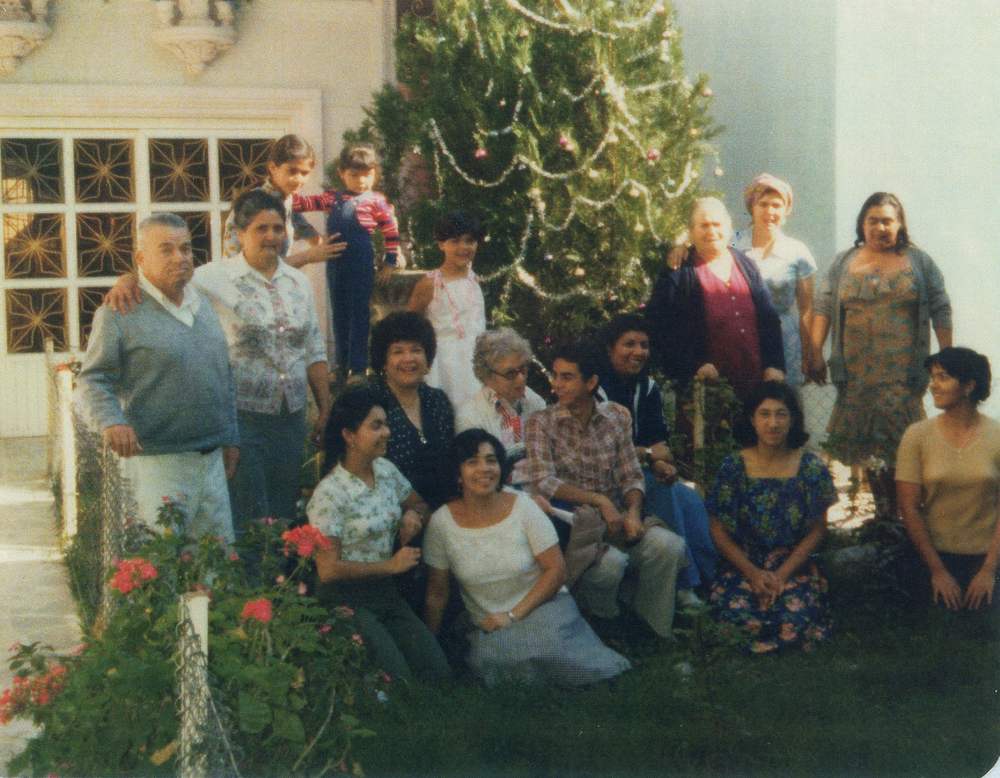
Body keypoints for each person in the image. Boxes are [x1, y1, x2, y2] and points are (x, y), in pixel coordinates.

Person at [104, 190, 332, 533]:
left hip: (291, 417)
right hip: (243, 417)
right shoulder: (213, 277)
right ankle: (247, 584)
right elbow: (162, 274)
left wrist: (325, 405)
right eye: (260, 229)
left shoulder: (298, 281)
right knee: (248, 515)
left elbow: (313, 348)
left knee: (284, 511)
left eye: (276, 228)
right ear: (239, 234)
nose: (271, 236)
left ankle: (279, 583)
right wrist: (126, 280)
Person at [423, 429, 631, 686]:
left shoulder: (524, 506)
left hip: (542, 606)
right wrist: (429, 649)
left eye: (491, 460)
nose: (484, 469)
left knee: (547, 646)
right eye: (472, 462)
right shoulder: (442, 523)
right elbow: (437, 593)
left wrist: (512, 616)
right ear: (457, 474)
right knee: (493, 658)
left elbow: (556, 570)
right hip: (488, 621)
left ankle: (584, 674)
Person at [77, 214, 238, 539]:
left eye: (186, 248)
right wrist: (113, 421)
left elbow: (223, 377)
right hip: (157, 462)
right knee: (158, 570)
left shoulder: (203, 304)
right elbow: (93, 378)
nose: (180, 258)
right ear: (141, 259)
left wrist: (230, 437)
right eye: (166, 249)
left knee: (215, 571)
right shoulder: (119, 313)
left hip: (211, 461)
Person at [524, 340, 687, 639]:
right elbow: (544, 481)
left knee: (668, 546)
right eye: (555, 375)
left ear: (591, 382)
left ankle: (652, 630)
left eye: (566, 377)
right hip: (576, 528)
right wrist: (599, 501)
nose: (556, 384)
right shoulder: (541, 423)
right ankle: (606, 631)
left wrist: (634, 512)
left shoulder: (616, 416)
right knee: (609, 567)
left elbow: (631, 473)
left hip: (620, 519)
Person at [811, 192, 952, 521]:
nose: (880, 227)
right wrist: (815, 350)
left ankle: (907, 518)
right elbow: (823, 305)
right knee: (868, 452)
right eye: (873, 220)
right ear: (862, 224)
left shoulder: (919, 262)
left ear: (900, 224)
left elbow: (940, 307)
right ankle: (883, 519)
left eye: (888, 220)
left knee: (903, 451)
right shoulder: (844, 261)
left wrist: (947, 358)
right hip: (857, 377)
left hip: (902, 378)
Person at [308, 386, 451, 683]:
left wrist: (413, 515)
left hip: (385, 593)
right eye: (376, 426)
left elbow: (420, 504)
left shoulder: (385, 470)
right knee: (399, 682)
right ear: (349, 435)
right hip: (344, 599)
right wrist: (390, 566)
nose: (386, 432)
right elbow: (328, 569)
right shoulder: (330, 494)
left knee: (438, 674)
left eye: (385, 424)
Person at [706, 381, 836, 653]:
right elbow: (718, 530)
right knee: (736, 619)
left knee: (795, 621)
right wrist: (753, 574)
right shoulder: (733, 466)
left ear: (793, 420)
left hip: (792, 564)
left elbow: (818, 529)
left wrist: (780, 575)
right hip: (744, 564)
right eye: (764, 414)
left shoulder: (810, 467)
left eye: (781, 414)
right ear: (752, 420)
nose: (773, 423)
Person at [597, 314, 717, 602]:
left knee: (690, 500)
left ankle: (711, 581)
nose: (638, 352)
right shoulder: (596, 388)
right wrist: (651, 456)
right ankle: (683, 586)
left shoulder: (646, 386)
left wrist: (660, 461)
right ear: (610, 348)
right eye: (629, 344)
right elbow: (608, 453)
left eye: (644, 344)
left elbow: (659, 442)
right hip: (606, 479)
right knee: (661, 488)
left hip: (641, 470)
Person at [666, 176, 816, 391]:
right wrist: (680, 247)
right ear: (751, 207)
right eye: (763, 204)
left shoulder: (797, 251)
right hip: (732, 339)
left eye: (776, 205)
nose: (769, 211)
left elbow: (807, 308)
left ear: (787, 210)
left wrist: (810, 352)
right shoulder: (734, 240)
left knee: (783, 406)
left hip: (782, 339)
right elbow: (706, 237)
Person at [646, 196, 785, 406]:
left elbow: (769, 320)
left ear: (729, 229)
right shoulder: (677, 273)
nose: (711, 231)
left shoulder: (746, 265)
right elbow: (660, 329)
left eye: (716, 224)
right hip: (705, 390)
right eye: (704, 225)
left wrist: (774, 364)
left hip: (756, 385)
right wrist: (694, 366)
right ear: (691, 232)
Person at [896, 348, 1000, 611]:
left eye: (942, 377)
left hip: (988, 555)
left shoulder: (997, 436)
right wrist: (938, 571)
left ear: (968, 385)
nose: (933, 385)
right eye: (932, 377)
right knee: (937, 627)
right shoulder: (916, 435)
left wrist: (988, 570)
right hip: (933, 556)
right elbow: (909, 508)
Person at [293, 143, 401, 382]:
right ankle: (341, 365)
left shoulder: (376, 201)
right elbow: (302, 204)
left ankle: (359, 368)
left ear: (375, 173)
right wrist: (283, 195)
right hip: (335, 262)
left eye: (367, 175)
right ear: (342, 173)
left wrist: (389, 261)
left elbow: (391, 232)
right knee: (339, 313)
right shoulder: (333, 198)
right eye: (354, 175)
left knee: (359, 314)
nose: (361, 181)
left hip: (361, 263)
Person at [369, 311, 455, 512]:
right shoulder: (371, 401)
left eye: (416, 350)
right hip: (387, 513)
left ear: (427, 358)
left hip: (441, 512)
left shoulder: (438, 401)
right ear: (384, 361)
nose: (408, 359)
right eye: (398, 352)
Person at [221, 134, 345, 269]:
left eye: (305, 173)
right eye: (292, 171)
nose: (298, 179)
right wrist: (308, 256)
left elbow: (306, 230)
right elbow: (260, 268)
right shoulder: (254, 204)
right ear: (273, 167)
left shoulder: (286, 201)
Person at [408, 211, 486, 410]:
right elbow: (409, 326)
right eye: (455, 241)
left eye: (469, 241)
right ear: (441, 244)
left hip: (476, 362)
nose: (463, 247)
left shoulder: (474, 279)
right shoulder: (429, 284)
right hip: (444, 365)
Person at [456, 327, 547, 486]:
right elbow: (479, 478)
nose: (521, 380)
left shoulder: (534, 401)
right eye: (510, 374)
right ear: (487, 376)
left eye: (523, 369)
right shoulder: (470, 417)